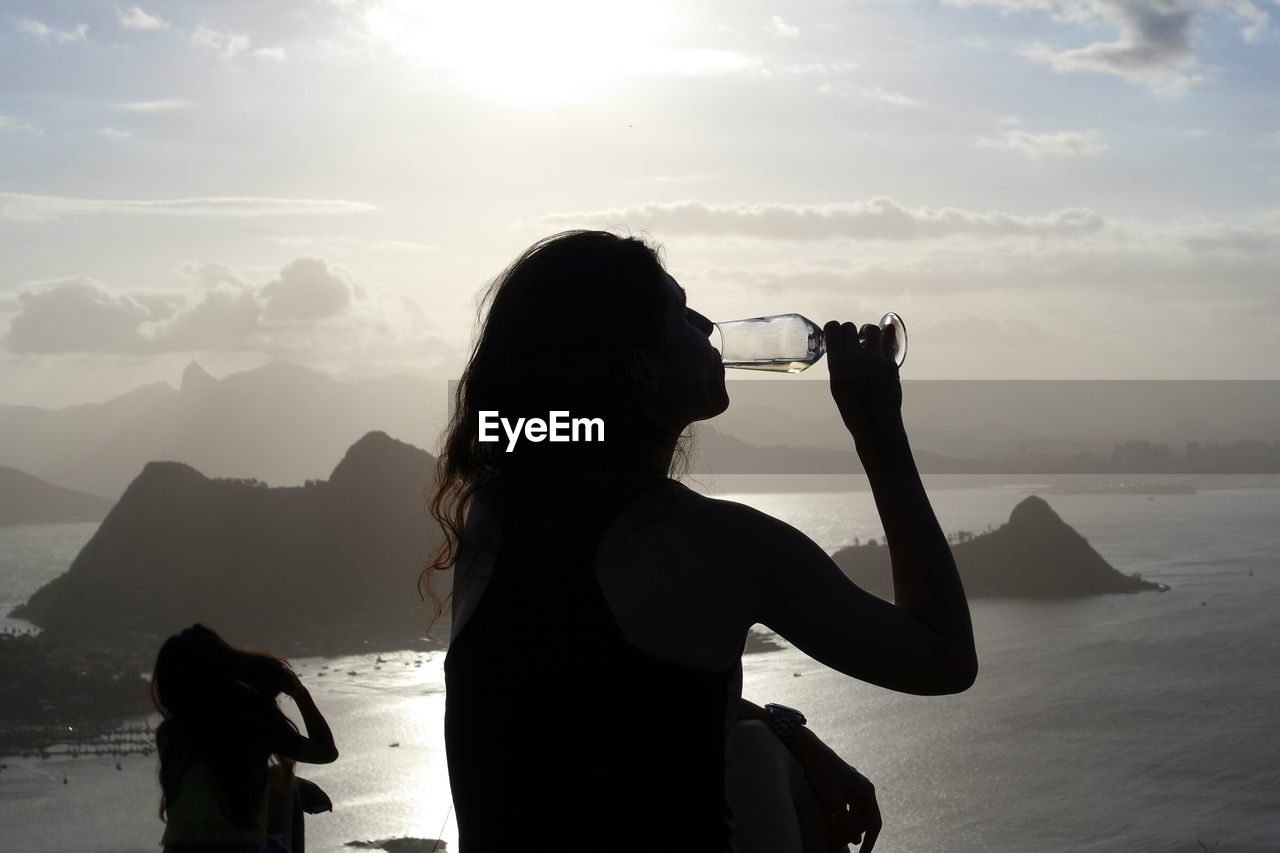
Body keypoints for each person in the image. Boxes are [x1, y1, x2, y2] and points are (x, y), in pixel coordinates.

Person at [424, 230, 977, 852]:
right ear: (642, 369)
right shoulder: (714, 546)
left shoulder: (494, 522)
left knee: (758, 750)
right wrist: (878, 428)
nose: (708, 325)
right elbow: (945, 660)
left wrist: (787, 734)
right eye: (682, 314)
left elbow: (592, 706)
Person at [150, 624, 339, 853]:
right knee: (284, 780)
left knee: (280, 779)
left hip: (178, 850)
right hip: (244, 848)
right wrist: (299, 692)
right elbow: (326, 752)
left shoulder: (169, 736)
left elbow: (212, 781)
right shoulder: (253, 723)